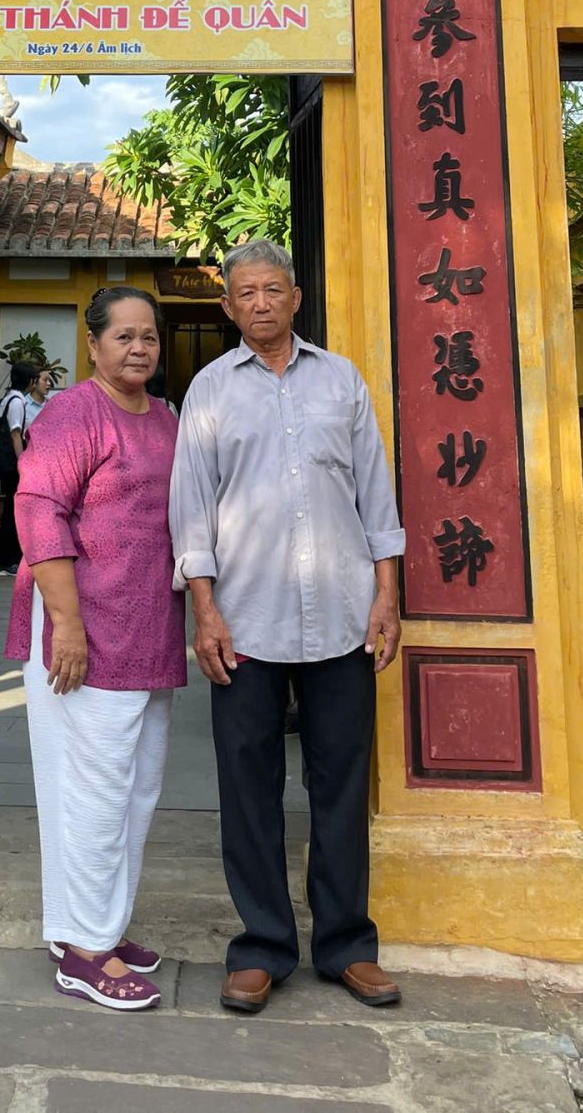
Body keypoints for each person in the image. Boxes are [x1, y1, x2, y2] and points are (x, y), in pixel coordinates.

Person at [169, 238, 406, 1015]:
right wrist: (204, 608)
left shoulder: (341, 380)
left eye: (273, 288)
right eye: (247, 292)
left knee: (340, 780)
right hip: (245, 619)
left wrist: (387, 594)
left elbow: (377, 494)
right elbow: (191, 510)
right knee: (248, 784)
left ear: (295, 297)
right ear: (228, 306)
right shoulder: (209, 391)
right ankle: (263, 945)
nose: (261, 302)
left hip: (342, 614)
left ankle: (346, 944)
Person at [4, 289, 185, 1011]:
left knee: (136, 787)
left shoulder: (165, 417)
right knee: (93, 789)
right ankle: (84, 951)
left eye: (149, 337)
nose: (139, 348)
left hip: (148, 628)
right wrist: (67, 623)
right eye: (124, 336)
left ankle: (97, 926)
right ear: (94, 345)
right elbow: (38, 510)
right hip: (84, 627)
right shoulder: (73, 413)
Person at [0, 362, 53, 576]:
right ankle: (9, 560)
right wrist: (23, 463)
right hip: (14, 463)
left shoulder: (8, 398)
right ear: (30, 381)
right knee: (14, 512)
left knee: (11, 509)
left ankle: (8, 558)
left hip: (7, 462)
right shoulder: (18, 402)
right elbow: (15, 434)